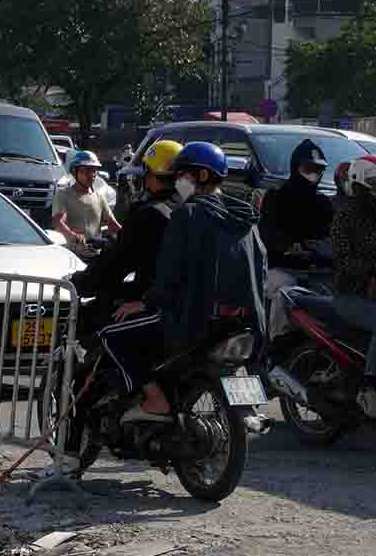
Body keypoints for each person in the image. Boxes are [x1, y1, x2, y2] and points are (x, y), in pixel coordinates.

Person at [104, 142, 267, 423]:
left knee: (112, 336)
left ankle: (155, 400)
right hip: (243, 323)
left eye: (182, 174)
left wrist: (143, 302)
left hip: (191, 322)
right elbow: (261, 270)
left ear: (201, 176)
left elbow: (170, 274)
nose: (177, 181)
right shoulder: (245, 221)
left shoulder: (187, 215)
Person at [71, 139, 182, 332]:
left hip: (157, 302)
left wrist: (80, 283)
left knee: (90, 322)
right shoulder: (191, 208)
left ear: (152, 174)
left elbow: (117, 261)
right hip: (182, 301)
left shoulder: (150, 213)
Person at [260, 138, 335, 338]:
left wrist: (320, 249)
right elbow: (266, 234)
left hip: (318, 271)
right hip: (282, 268)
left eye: (318, 169)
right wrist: (289, 245)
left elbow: (332, 238)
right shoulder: (276, 197)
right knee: (284, 297)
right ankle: (275, 347)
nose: (313, 174)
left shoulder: (324, 203)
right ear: (296, 167)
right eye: (308, 168)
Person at [330, 155, 376, 418]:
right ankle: (370, 385)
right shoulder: (345, 218)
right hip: (350, 294)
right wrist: (373, 268)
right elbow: (343, 260)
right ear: (359, 183)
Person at [53, 149, 121, 252]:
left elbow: (113, 224)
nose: (92, 174)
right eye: (86, 170)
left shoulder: (99, 196)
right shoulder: (63, 195)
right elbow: (58, 223)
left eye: (94, 170)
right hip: (73, 254)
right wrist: (73, 236)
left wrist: (129, 236)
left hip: (96, 254)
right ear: (74, 172)